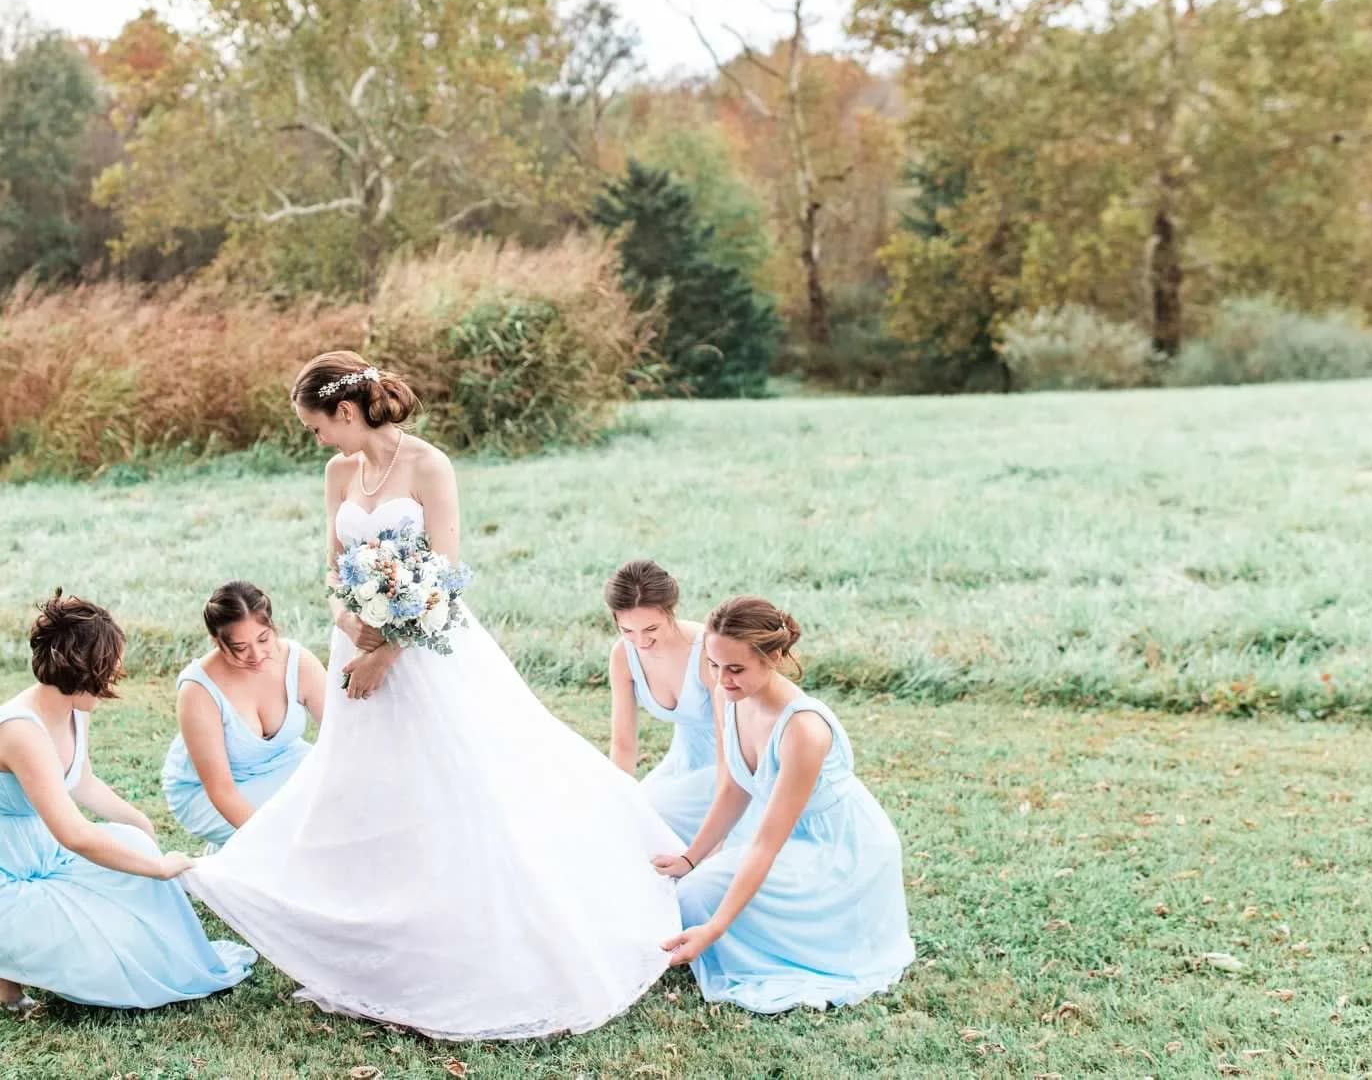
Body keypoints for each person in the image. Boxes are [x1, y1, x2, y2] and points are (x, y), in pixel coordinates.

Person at [184, 352, 681, 1039]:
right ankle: (372, 954)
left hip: (429, 653)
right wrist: (350, 624)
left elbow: (445, 578)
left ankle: (476, 948)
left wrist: (390, 650)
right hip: (355, 650)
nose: (317, 440)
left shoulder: (428, 466)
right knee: (366, 792)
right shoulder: (337, 473)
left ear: (347, 412)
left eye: (317, 426)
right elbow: (331, 573)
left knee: (460, 790)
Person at [0, 590, 254, 1015]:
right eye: (108, 672)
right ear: (80, 668)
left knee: (132, 847)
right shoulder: (19, 731)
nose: (116, 678)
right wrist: (156, 867)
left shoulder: (73, 709)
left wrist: (141, 828)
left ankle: (22, 949)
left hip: (39, 860)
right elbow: (74, 834)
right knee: (109, 960)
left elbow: (82, 780)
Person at [653, 596, 913, 1014]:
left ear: (774, 656)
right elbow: (735, 789)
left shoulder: (803, 729)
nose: (722, 680)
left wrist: (716, 929)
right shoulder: (731, 696)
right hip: (785, 836)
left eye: (736, 669)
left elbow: (765, 846)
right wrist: (690, 856)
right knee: (684, 887)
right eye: (714, 666)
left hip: (838, 851)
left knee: (700, 896)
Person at [162, 581, 325, 849]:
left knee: (334, 797)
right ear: (217, 643)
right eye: (240, 647)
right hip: (207, 791)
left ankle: (232, 860)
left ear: (273, 627)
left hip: (284, 763)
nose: (257, 655)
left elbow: (340, 738)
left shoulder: (299, 662)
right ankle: (235, 863)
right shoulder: (197, 690)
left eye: (264, 639)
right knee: (290, 823)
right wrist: (270, 842)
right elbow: (220, 790)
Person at [605, 559, 718, 843]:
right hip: (685, 761)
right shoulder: (623, 656)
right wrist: (620, 802)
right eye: (627, 631)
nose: (641, 642)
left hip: (737, 760)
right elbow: (623, 746)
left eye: (651, 629)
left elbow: (738, 741)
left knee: (658, 813)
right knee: (633, 817)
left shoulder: (708, 650)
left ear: (671, 611)